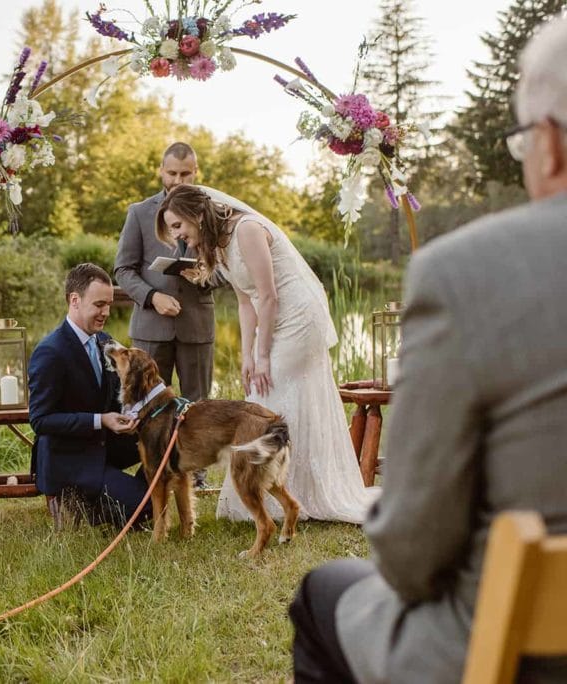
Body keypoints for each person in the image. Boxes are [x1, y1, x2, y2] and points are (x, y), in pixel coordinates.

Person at [287, 15, 567, 684]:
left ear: (551, 144)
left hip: (522, 654)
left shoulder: (466, 273)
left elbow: (412, 556)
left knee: (323, 595)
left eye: (523, 139)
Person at [156, 185, 377, 524]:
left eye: (177, 226)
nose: (178, 235)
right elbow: (246, 302)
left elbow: (269, 295)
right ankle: (279, 491)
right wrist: (247, 355)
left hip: (298, 316)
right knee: (260, 391)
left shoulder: (247, 230)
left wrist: (263, 357)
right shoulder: (221, 245)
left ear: (196, 214)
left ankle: (288, 494)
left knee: (270, 390)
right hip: (273, 317)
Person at [115, 142, 226, 488]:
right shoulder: (139, 212)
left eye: (186, 173)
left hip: (196, 326)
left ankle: (196, 477)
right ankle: (150, 474)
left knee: (197, 405)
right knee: (145, 405)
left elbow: (228, 270)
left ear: (196, 173)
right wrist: (152, 297)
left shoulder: (216, 212)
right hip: (151, 326)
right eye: (172, 173)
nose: (178, 179)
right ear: (161, 171)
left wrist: (205, 276)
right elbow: (122, 269)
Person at [28, 263, 152, 527]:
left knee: (165, 442)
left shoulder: (103, 340)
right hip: (69, 459)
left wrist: (131, 416)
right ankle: (91, 505)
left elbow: (114, 395)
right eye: (99, 305)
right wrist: (100, 420)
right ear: (75, 300)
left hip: (103, 447)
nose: (105, 312)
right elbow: (41, 420)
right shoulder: (50, 352)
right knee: (147, 508)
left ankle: (120, 497)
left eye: (108, 304)